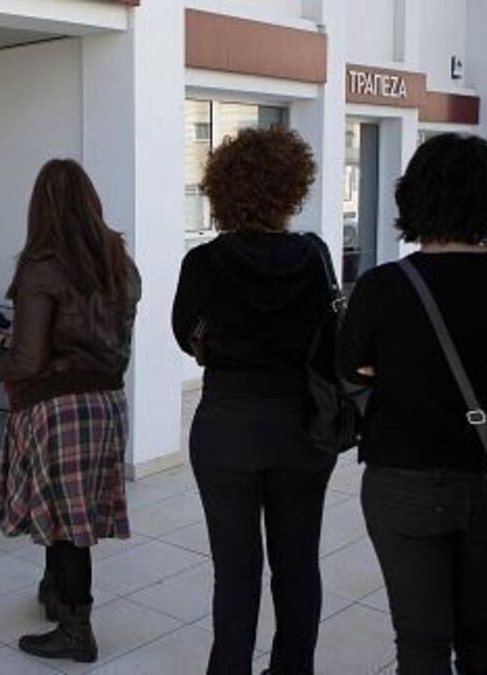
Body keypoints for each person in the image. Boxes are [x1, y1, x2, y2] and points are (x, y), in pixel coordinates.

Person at [339, 134, 487, 674]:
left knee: (420, 642)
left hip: (403, 482)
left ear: (412, 196)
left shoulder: (381, 287)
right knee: (484, 630)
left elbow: (350, 369)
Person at [172, 127, 334, 675]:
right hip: (302, 426)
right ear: (293, 186)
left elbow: (184, 336)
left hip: (227, 426)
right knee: (299, 565)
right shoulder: (315, 256)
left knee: (235, 571)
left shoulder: (205, 262)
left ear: (223, 189)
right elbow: (330, 337)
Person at [0, 159, 141, 664]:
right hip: (107, 403)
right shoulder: (119, 261)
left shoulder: (42, 267)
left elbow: (27, 360)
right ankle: (55, 591)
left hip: (58, 409)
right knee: (70, 510)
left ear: (39, 208)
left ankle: (76, 629)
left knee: (67, 523)